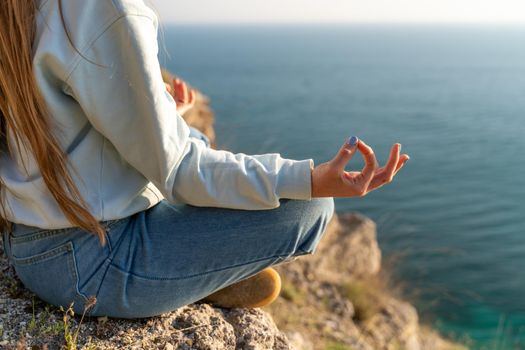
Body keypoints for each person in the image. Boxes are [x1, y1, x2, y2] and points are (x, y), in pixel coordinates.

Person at [0, 0, 409, 319]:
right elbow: (180, 171)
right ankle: (188, 279)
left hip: (31, 242)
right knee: (310, 209)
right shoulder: (102, 10)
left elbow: (55, 124)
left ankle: (183, 271)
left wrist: (159, 116)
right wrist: (312, 179)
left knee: (190, 136)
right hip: (92, 265)